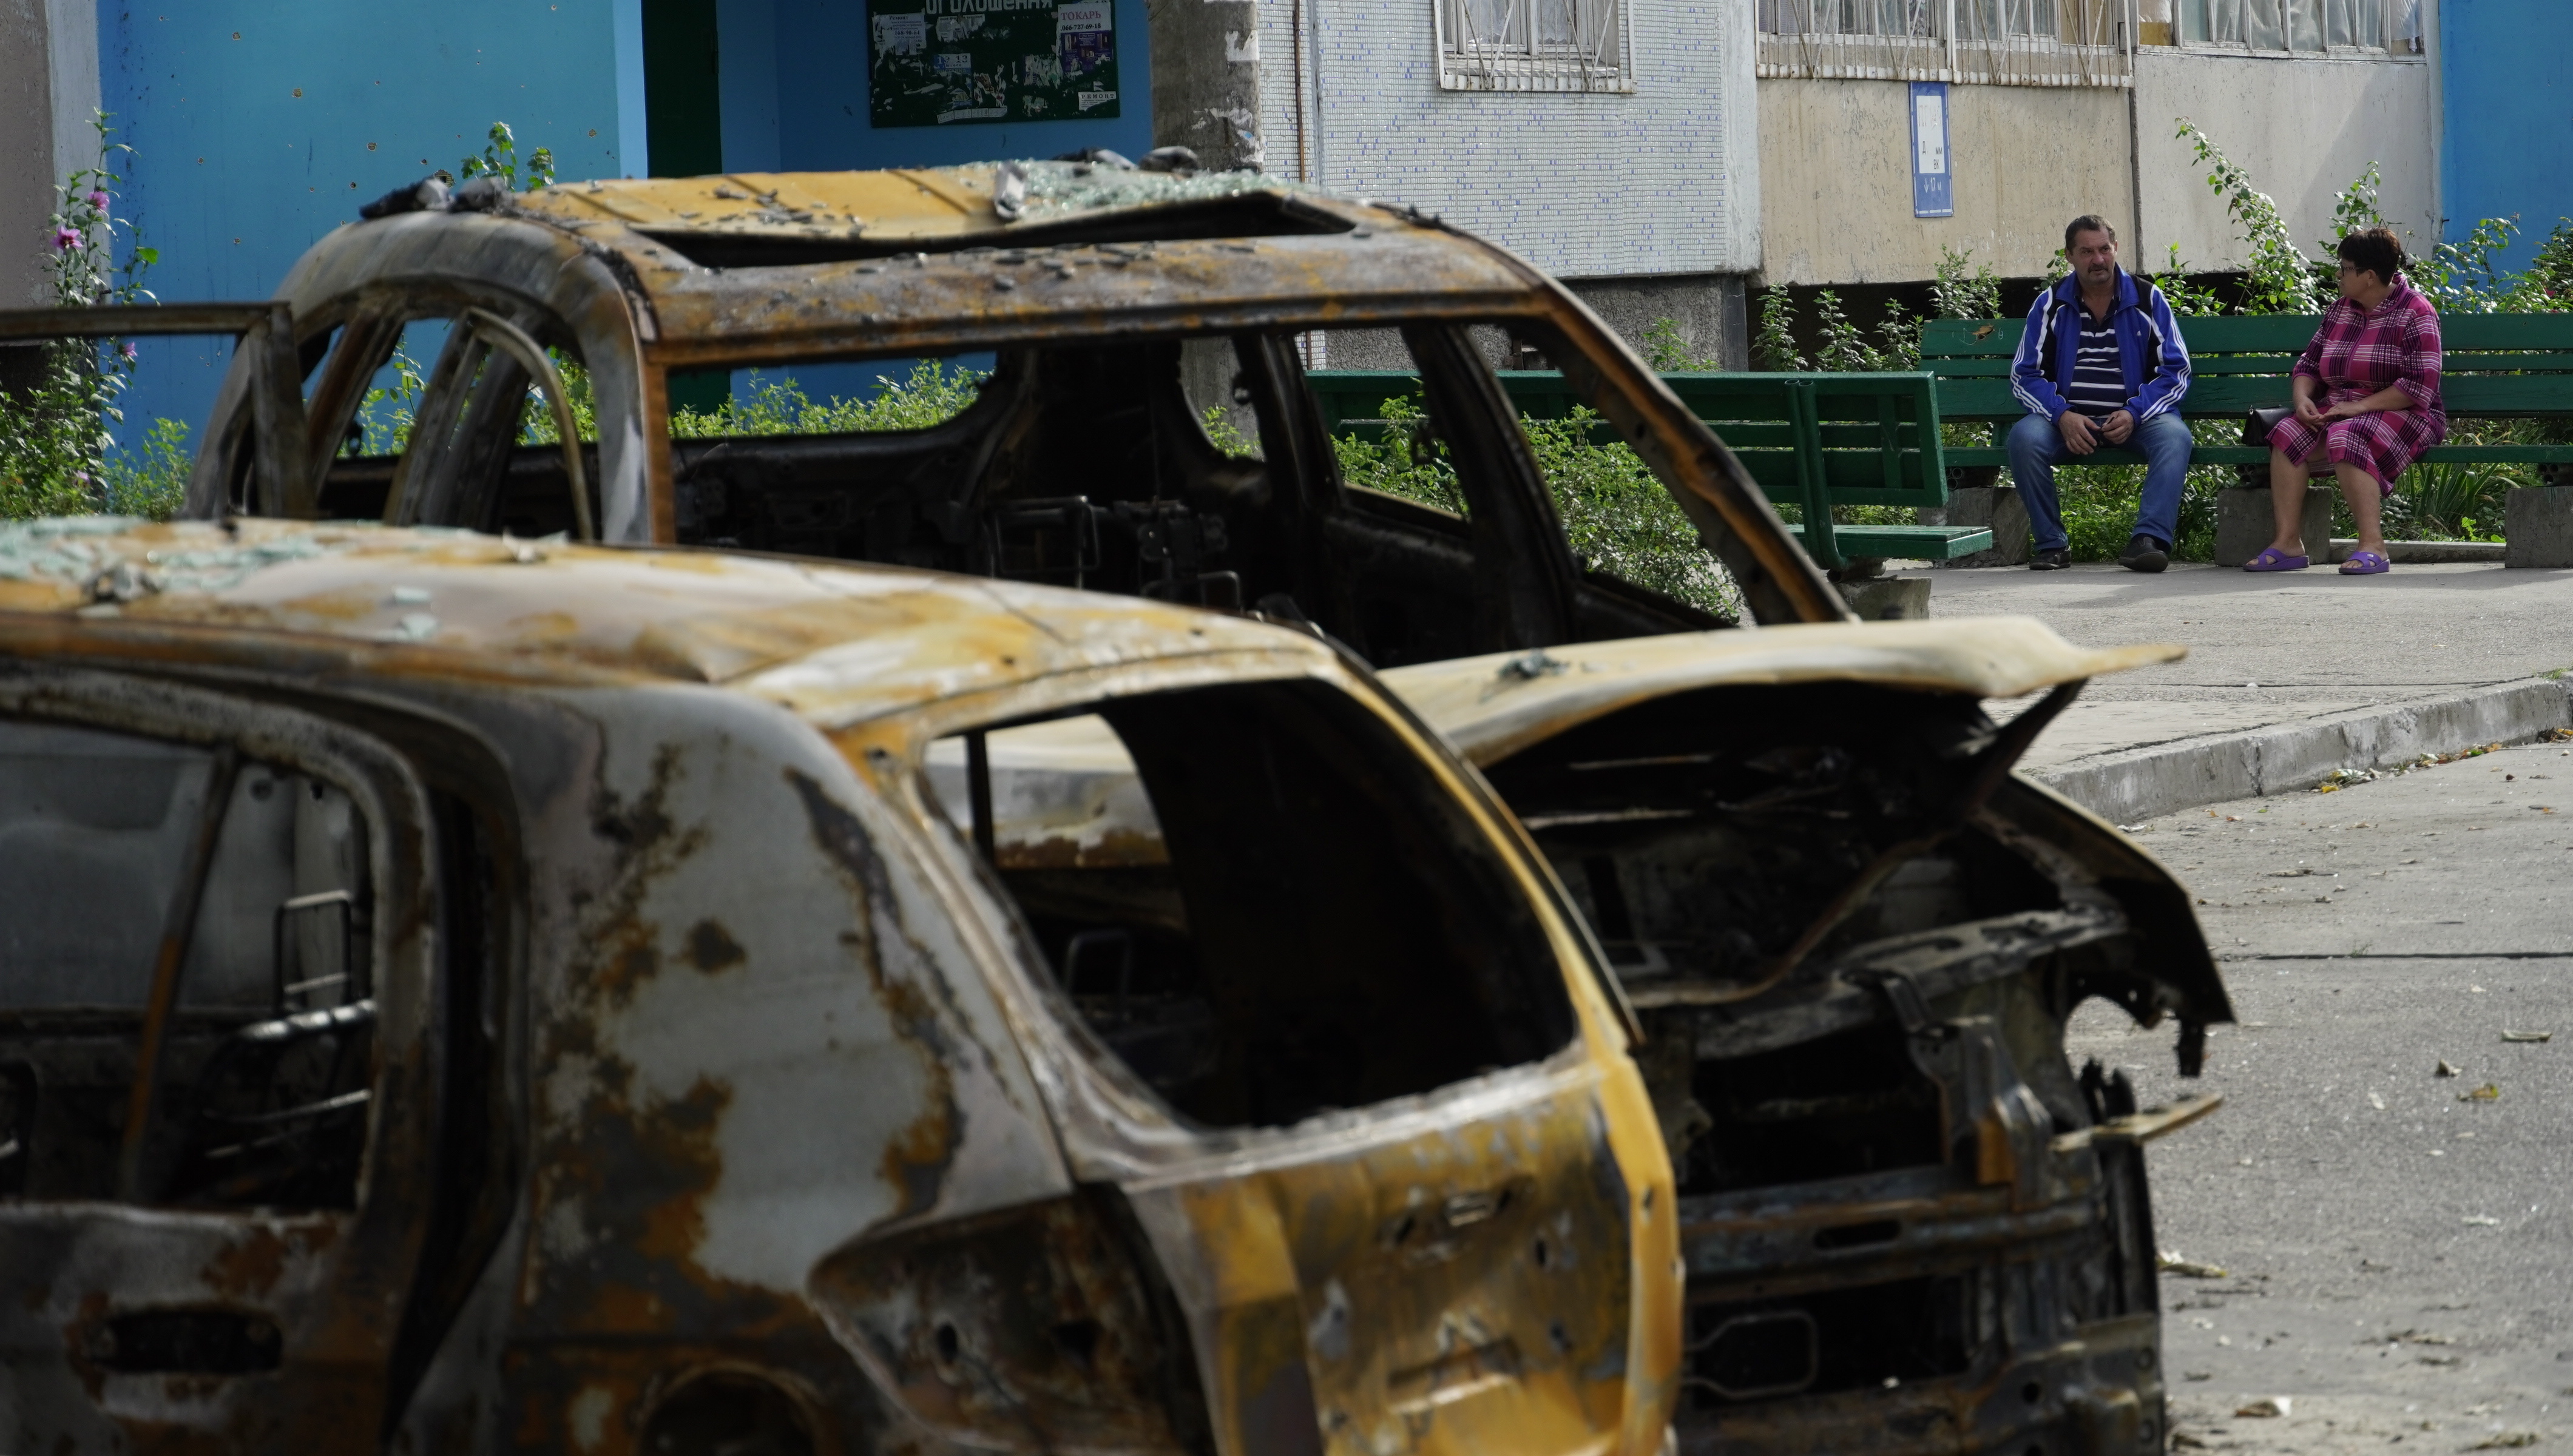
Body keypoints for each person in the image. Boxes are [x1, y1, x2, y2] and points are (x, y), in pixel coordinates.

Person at [2243, 227, 2446, 576]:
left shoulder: (2416, 312)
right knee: (2287, 433)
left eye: (2345, 268)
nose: (2338, 274)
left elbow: (2418, 387)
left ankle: (2373, 546)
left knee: (2346, 436)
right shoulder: (2340, 310)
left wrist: (2359, 407)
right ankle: (2288, 543)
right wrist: (2303, 398)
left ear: (2369, 276)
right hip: (2340, 409)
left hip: (2404, 411)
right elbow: (2309, 364)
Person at [2006, 215, 2194, 572]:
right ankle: (2052, 544)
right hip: (2068, 421)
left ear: (2116, 249)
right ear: (2070, 256)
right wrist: (2061, 416)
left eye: (2104, 249)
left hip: (2136, 420)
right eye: (2087, 252)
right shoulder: (2051, 305)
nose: (2098, 260)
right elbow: (2024, 374)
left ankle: (2148, 540)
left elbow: (2177, 371)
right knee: (2024, 439)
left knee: (2175, 437)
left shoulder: (2147, 299)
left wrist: (2135, 412)